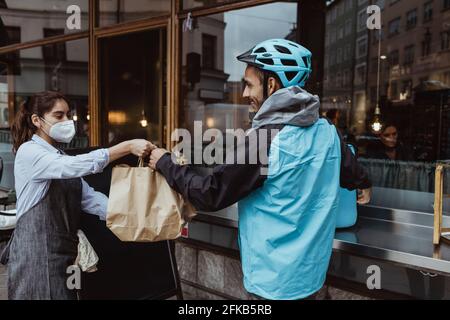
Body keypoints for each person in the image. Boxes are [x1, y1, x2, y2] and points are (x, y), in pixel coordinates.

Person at [149, 39, 372, 300]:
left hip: (273, 285)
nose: (244, 94)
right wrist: (364, 183)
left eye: (248, 84)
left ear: (272, 85)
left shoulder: (265, 141)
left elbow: (210, 194)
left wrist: (165, 162)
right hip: (311, 278)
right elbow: (351, 170)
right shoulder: (328, 132)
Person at [1, 91, 153, 300]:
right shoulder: (29, 152)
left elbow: (90, 199)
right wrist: (126, 147)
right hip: (35, 256)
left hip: (65, 255)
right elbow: (72, 166)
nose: (67, 121)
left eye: (67, 115)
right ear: (37, 120)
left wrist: (138, 217)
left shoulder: (58, 155)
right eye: (58, 115)